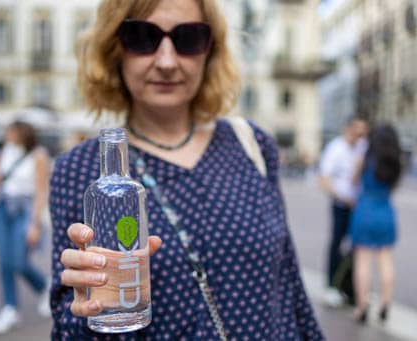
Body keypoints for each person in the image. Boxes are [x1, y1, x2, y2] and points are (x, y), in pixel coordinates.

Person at [49, 0, 324, 339]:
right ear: (115, 48)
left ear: (210, 50)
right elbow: (67, 326)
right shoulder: (78, 171)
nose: (166, 61)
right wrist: (89, 309)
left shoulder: (251, 145)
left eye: (189, 38)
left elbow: (291, 286)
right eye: (142, 37)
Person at [0, 121, 50, 334]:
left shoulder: (38, 155)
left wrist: (35, 224)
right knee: (4, 261)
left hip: (26, 209)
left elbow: (41, 191)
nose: (7, 134)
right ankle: (9, 308)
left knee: (19, 262)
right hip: (3, 208)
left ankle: (44, 287)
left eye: (11, 131)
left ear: (22, 133)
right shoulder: (3, 151)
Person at [349, 124, 402, 324]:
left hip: (365, 211)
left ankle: (362, 306)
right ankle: (385, 304)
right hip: (386, 212)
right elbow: (392, 188)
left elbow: (354, 182)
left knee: (363, 261)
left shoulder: (365, 160)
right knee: (386, 259)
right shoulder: (395, 163)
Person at [318, 116, 368, 307]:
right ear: (348, 129)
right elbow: (324, 179)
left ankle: (350, 286)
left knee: (357, 247)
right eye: (357, 130)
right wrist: (344, 198)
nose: (360, 135)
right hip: (341, 204)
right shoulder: (335, 148)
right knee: (337, 243)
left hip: (359, 206)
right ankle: (332, 285)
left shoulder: (363, 147)